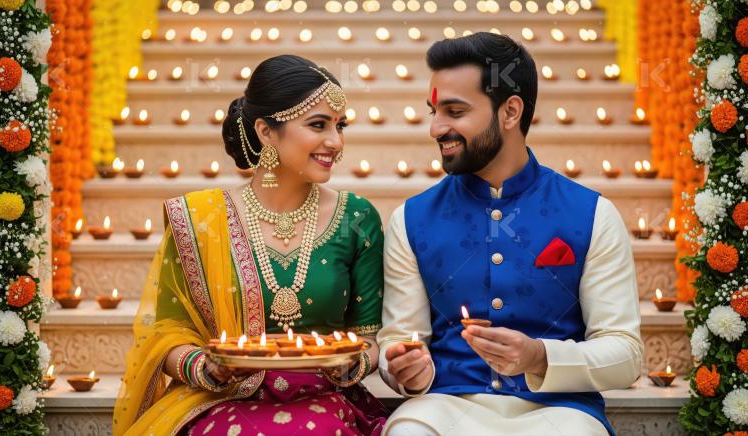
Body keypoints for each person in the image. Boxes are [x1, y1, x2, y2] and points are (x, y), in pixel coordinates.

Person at [377, 32, 644, 436]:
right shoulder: (411, 219)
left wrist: (539, 356)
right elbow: (399, 340)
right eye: (434, 111)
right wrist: (406, 370)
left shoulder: (592, 215)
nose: (435, 128)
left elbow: (625, 353)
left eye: (454, 111)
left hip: (560, 411)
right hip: (445, 406)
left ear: (510, 111)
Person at [113, 55, 387, 436]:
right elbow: (165, 334)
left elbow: (368, 337)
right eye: (318, 125)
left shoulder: (356, 219)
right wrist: (205, 367)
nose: (336, 142)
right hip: (222, 398)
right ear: (266, 131)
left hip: (322, 398)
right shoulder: (201, 220)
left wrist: (354, 363)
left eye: (340, 126)